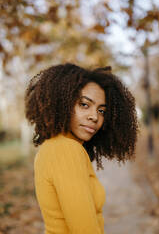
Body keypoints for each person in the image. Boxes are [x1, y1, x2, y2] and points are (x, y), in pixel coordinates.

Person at [24, 63, 138, 234]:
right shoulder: (66, 150)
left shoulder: (53, 147)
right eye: (84, 104)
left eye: (101, 110)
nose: (94, 117)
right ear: (62, 103)